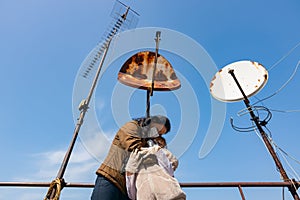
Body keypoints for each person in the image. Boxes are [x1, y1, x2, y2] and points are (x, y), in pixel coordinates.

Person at [91, 115, 171, 200]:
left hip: (127, 188)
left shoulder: (147, 141)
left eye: (160, 134)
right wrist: (155, 150)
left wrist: (160, 144)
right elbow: (134, 148)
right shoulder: (132, 127)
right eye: (157, 130)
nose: (156, 134)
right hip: (111, 179)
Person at [125, 136, 186, 200]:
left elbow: (131, 192)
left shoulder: (162, 154)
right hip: (169, 194)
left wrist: (158, 151)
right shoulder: (134, 161)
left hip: (169, 195)